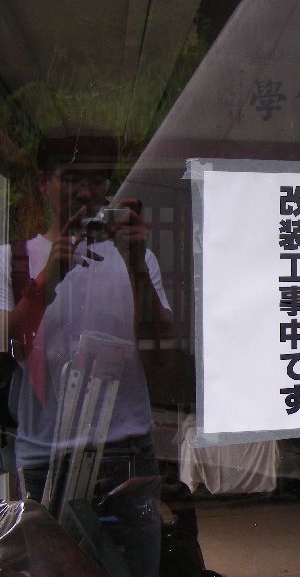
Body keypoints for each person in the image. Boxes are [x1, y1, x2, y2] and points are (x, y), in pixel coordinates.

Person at [0, 138, 172, 577]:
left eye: (97, 181)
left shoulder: (137, 258)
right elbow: (10, 342)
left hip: (128, 447)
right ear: (44, 182)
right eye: (72, 178)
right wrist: (48, 277)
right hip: (46, 452)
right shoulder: (12, 260)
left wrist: (136, 261)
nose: (84, 193)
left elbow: (163, 354)